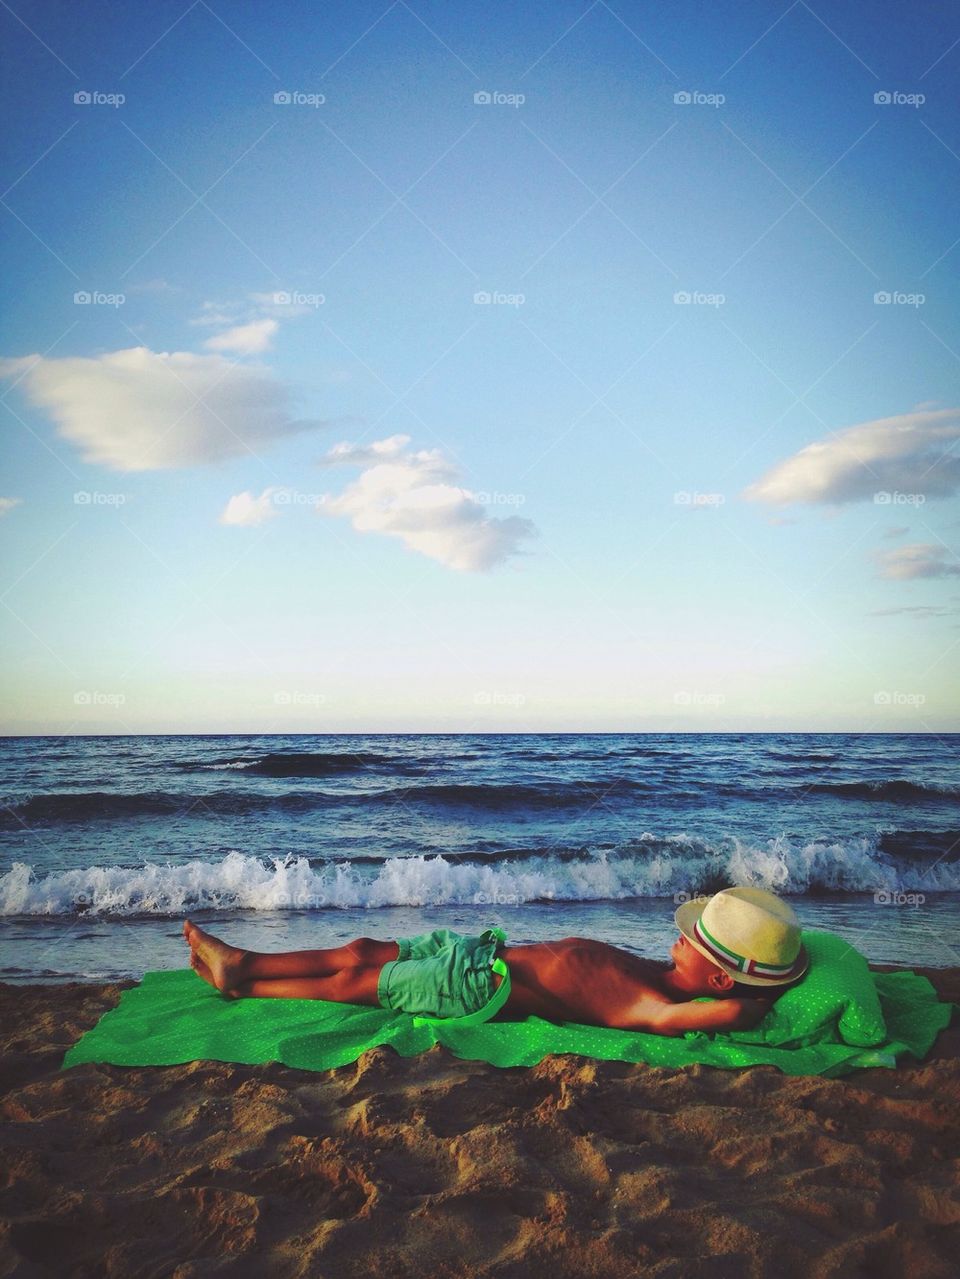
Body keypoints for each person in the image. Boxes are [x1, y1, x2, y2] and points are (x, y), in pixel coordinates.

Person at [182, 886, 808, 1036]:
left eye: (694, 939)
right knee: (360, 951)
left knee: (355, 983)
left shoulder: (657, 1003)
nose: (680, 935)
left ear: (720, 976)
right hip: (482, 951)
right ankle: (251, 961)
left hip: (474, 986)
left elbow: (714, 1014)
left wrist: (751, 1005)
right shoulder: (660, 971)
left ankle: (246, 980)